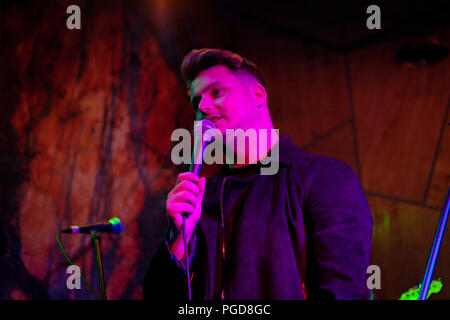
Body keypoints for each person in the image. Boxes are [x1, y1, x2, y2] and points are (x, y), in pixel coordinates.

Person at [143, 48, 373, 300]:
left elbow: (342, 290)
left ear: (258, 94)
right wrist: (179, 239)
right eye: (197, 103)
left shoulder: (322, 175)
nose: (204, 107)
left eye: (216, 92)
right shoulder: (202, 197)